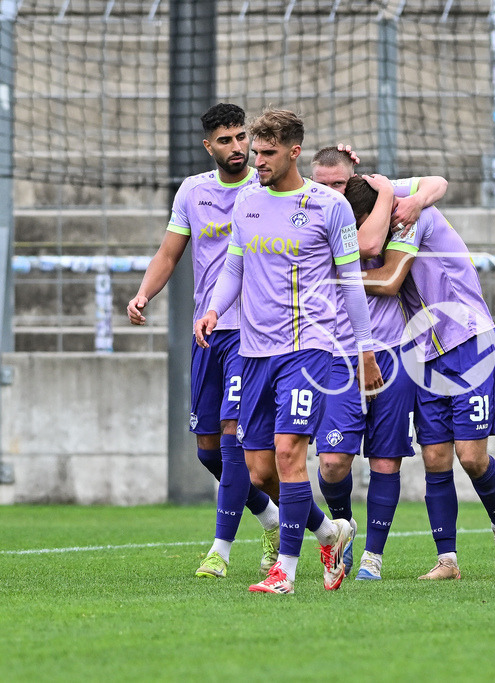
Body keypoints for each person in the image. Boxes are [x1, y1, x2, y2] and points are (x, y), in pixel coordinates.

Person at [195, 109, 383, 595]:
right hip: (254, 350)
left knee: (288, 454)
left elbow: (350, 283)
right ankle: (329, 532)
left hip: (309, 347)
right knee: (259, 469)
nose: (257, 160)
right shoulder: (248, 204)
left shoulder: (328, 207)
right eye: (255, 151)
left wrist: (364, 349)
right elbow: (233, 269)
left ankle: (286, 571)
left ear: (293, 152)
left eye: (267, 153)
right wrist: (214, 310)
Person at [126, 103, 280, 579]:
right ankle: (280, 519)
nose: (238, 148)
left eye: (241, 138)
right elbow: (170, 253)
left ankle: (220, 551)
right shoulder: (194, 192)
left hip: (253, 332)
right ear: (209, 145)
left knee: (234, 444)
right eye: (227, 140)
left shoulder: (269, 185)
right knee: (209, 452)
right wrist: (143, 292)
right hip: (207, 332)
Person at [345, 174, 495, 581]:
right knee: (434, 457)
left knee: (471, 457)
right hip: (425, 352)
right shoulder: (391, 206)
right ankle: (448, 560)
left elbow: (389, 281)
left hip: (469, 341)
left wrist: (331, 274)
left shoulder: (410, 217)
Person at [309, 145, 449, 580]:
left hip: (393, 352)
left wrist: (406, 197)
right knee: (332, 462)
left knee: (387, 459)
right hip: (336, 355)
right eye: (323, 184)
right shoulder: (310, 212)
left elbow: (438, 182)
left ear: (356, 177)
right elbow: (368, 243)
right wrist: (388, 195)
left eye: (339, 183)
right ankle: (342, 528)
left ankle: (373, 556)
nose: (331, 191)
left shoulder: (370, 195)